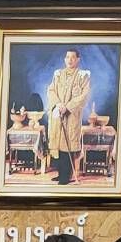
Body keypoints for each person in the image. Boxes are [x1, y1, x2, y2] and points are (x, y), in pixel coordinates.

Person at [46, 49, 91, 184]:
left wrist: (68, 107)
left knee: (68, 145)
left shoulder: (83, 76)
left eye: (73, 57)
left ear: (78, 60)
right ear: (64, 59)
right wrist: (58, 104)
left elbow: (84, 95)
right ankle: (60, 174)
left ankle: (66, 176)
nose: (69, 60)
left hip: (71, 116)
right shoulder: (58, 74)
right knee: (58, 145)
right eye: (67, 57)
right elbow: (51, 90)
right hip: (58, 112)